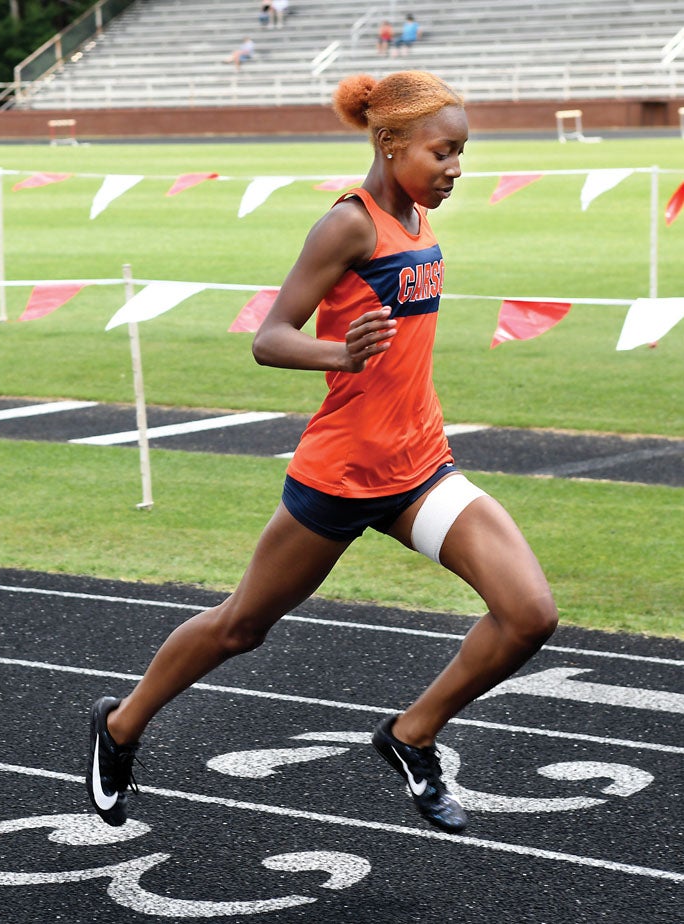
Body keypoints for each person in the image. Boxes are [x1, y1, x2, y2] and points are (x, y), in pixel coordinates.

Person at [86, 71, 558, 835]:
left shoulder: (416, 212)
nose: (457, 169)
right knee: (242, 627)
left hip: (420, 466)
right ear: (390, 141)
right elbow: (269, 338)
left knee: (530, 614)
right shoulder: (350, 223)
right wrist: (341, 355)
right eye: (444, 152)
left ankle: (411, 735)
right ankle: (120, 725)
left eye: (462, 152)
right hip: (340, 475)